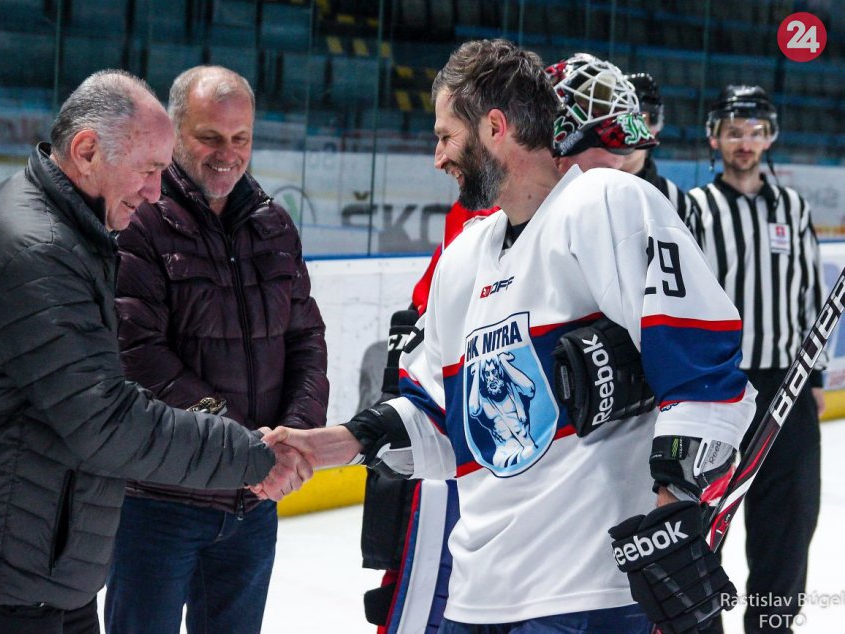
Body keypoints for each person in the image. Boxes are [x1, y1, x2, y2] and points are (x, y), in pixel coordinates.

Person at [267, 40, 757, 634]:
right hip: (477, 594)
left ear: (495, 127)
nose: (438, 157)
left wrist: (673, 505)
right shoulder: (463, 257)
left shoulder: (607, 202)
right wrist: (332, 444)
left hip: (588, 592)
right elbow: (442, 419)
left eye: (446, 136)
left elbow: (702, 371)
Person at [0, 70, 291, 634]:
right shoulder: (36, 250)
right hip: (0, 580)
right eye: (148, 170)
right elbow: (104, 422)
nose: (155, 191)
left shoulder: (67, 230)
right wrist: (251, 452)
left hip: (37, 567)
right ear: (86, 151)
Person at [104, 65, 329, 634]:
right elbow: (139, 354)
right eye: (210, 137)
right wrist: (245, 447)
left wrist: (295, 440)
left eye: (240, 138)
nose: (227, 154)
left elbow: (306, 339)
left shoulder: (274, 225)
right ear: (175, 132)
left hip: (252, 507)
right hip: (157, 503)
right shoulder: (140, 222)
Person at [690, 85, 825, 634]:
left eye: (755, 132)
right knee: (704, 527)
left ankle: (772, 628)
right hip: (718, 389)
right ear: (714, 138)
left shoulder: (794, 208)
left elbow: (810, 294)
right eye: (733, 132)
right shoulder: (695, 209)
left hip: (787, 390)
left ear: (770, 138)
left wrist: (815, 376)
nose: (744, 142)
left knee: (788, 527)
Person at [620, 72, 704, 246]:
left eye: (639, 118)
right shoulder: (583, 190)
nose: (627, 130)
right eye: (618, 118)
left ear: (655, 128)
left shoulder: (679, 203)